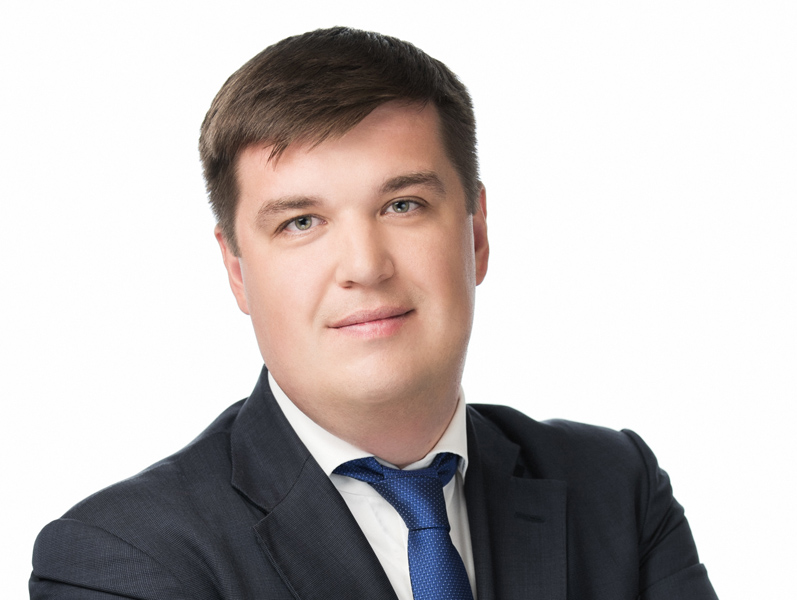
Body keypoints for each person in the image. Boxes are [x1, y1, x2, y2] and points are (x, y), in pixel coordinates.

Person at [30, 27, 718, 599]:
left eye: (402, 205)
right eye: (301, 222)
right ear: (236, 270)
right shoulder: (123, 561)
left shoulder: (615, 488)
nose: (364, 265)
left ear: (476, 234)